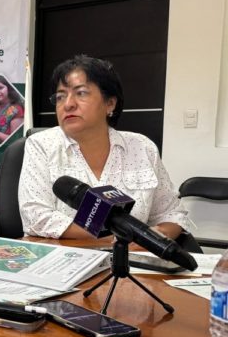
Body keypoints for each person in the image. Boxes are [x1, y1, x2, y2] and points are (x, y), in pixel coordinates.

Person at [18, 54, 191, 240]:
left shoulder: (142, 147)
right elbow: (36, 217)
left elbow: (171, 213)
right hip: (64, 254)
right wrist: (120, 237)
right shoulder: (41, 145)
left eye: (81, 93)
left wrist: (155, 238)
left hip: (134, 255)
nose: (68, 104)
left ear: (110, 103)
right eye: (60, 96)